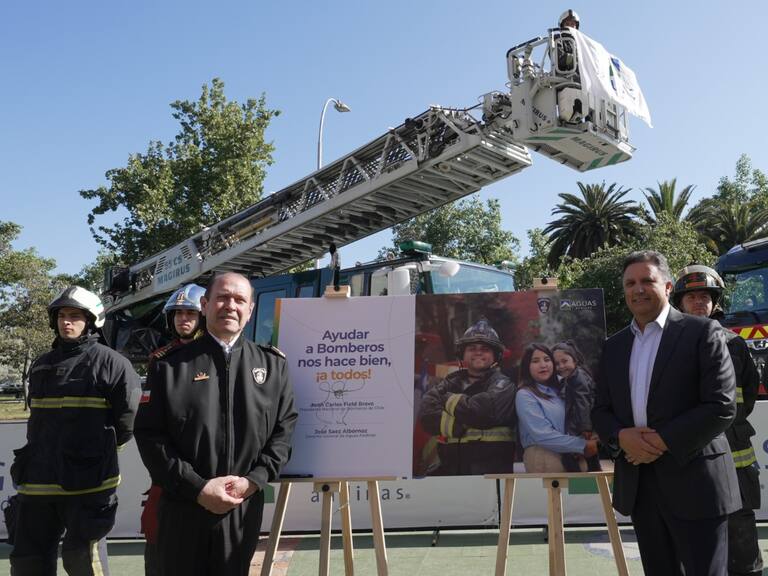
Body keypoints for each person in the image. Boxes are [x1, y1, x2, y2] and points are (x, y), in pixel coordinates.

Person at [134, 272, 298, 576]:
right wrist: (198, 488)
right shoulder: (170, 365)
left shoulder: (272, 366)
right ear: (206, 305)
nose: (230, 306)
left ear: (250, 311)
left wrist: (252, 482)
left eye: (239, 300)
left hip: (242, 506)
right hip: (183, 505)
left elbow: (283, 431)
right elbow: (149, 435)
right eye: (222, 298)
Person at [592, 251, 740, 576]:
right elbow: (600, 410)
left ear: (668, 286)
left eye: (647, 280)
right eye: (630, 283)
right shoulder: (613, 347)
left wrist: (660, 441)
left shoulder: (703, 333)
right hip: (641, 488)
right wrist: (620, 436)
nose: (638, 289)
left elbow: (721, 406)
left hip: (698, 485)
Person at [9, 286, 141, 575]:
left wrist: (99, 451)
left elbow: (127, 420)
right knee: (27, 560)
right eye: (61, 316)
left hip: (89, 482)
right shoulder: (41, 365)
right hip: (38, 480)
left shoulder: (113, 364)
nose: (66, 322)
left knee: (81, 558)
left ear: (92, 321)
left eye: (74, 316)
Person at [673, 264, 763, 576]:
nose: (699, 302)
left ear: (715, 302)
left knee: (741, 541)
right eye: (692, 297)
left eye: (705, 297)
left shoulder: (734, 344)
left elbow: (747, 396)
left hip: (735, 459)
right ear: (680, 303)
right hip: (690, 459)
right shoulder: (668, 346)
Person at [141, 283, 206, 576]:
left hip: (211, 463)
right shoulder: (160, 359)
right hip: (172, 465)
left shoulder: (219, 354)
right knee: (157, 533)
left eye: (190, 312)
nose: (183, 319)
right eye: (178, 313)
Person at [418, 318, 516, 475]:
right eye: (472, 348)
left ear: (496, 356)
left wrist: (447, 399)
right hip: (450, 473)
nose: (478, 352)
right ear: (462, 354)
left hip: (490, 475)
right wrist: (457, 425)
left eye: (485, 348)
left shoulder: (504, 385)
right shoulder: (450, 382)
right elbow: (426, 415)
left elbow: (482, 412)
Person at [515, 343, 597, 472]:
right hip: (545, 455)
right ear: (527, 367)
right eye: (535, 361)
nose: (543, 365)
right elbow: (543, 435)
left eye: (547, 360)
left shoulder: (562, 387)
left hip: (575, 454)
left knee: (583, 492)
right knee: (555, 493)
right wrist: (582, 445)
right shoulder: (525, 395)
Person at [552, 340, 600, 472]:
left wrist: (585, 427)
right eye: (557, 364)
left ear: (574, 360)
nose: (561, 366)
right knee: (588, 456)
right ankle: (593, 480)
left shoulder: (577, 377)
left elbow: (582, 402)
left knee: (569, 456)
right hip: (582, 424)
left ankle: (581, 481)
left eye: (565, 361)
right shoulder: (574, 376)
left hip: (583, 426)